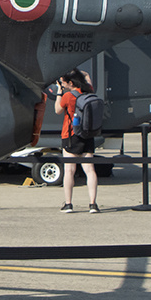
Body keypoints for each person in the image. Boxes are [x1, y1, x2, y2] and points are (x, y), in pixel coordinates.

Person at [54, 70, 99, 213]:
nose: (62, 84)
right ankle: (92, 204)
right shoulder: (88, 91)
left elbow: (57, 110)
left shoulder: (68, 96)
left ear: (70, 83)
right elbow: (87, 77)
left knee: (69, 170)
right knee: (90, 170)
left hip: (70, 135)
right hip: (87, 135)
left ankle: (68, 204)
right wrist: (78, 72)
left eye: (64, 82)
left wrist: (59, 93)